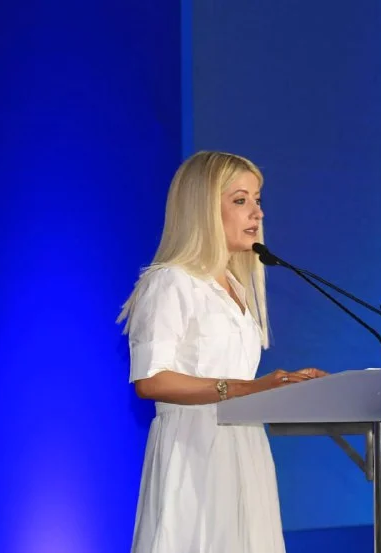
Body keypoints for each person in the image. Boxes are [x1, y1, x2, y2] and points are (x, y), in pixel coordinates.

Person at [117, 151, 325, 553]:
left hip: (244, 448)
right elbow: (151, 380)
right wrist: (247, 389)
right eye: (240, 200)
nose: (257, 213)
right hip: (193, 451)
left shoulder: (238, 288)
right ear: (203, 209)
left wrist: (285, 387)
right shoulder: (170, 282)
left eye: (258, 200)